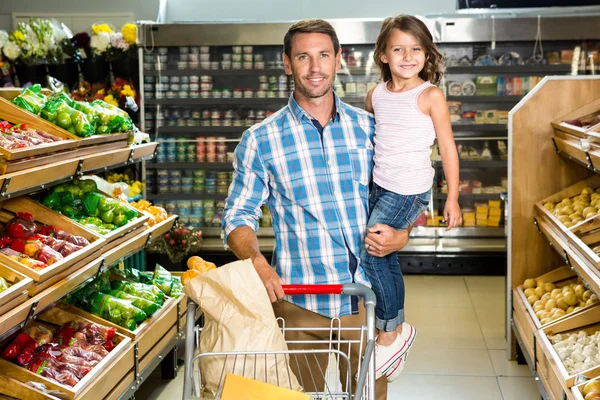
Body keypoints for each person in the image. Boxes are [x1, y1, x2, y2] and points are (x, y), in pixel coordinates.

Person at [223, 18, 411, 400]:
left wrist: (404, 233)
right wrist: (256, 261)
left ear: (339, 60)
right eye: (303, 57)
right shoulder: (261, 140)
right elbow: (237, 217)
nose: (315, 68)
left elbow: (405, 191)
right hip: (298, 303)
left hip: (365, 301)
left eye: (324, 55)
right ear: (287, 63)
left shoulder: (371, 129)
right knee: (296, 397)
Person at [360, 15, 461, 382]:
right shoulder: (376, 95)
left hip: (408, 189)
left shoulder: (430, 95)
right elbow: (369, 142)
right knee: (385, 256)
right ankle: (390, 325)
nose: (408, 56)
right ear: (383, 55)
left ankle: (392, 331)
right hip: (380, 185)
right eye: (398, 49)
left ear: (426, 53)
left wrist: (451, 199)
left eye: (416, 49)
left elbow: (447, 147)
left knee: (372, 250)